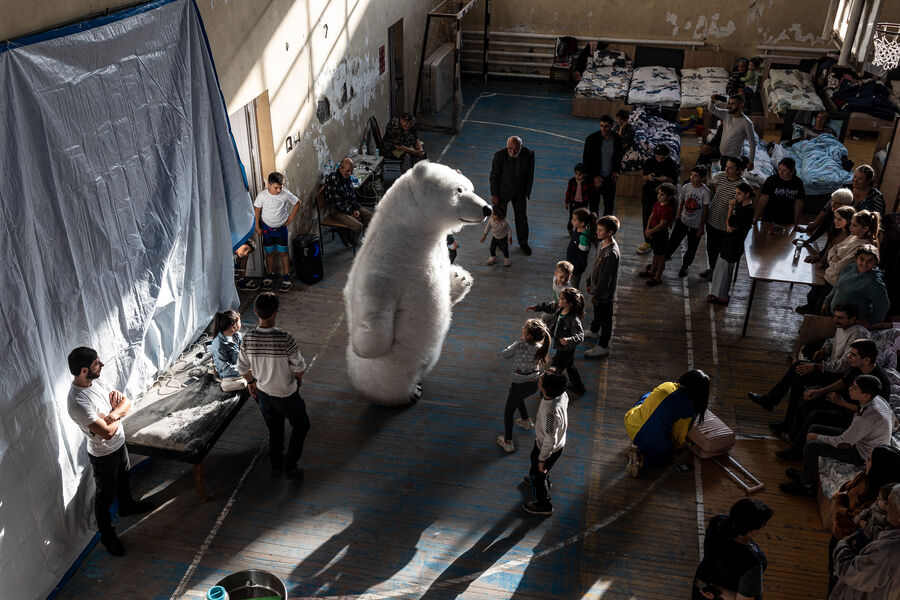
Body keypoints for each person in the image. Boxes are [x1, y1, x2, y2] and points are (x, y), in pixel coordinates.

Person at [66, 347, 155, 556]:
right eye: (96, 363)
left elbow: (126, 402)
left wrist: (112, 416)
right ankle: (107, 537)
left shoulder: (96, 381)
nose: (102, 365)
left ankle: (127, 507)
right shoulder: (77, 402)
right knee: (104, 498)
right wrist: (116, 413)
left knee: (124, 478)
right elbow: (106, 433)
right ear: (84, 370)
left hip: (119, 443)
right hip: (103, 454)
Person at [748, 302, 869, 428]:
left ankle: (773, 405)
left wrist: (817, 367)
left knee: (799, 371)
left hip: (841, 377)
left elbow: (844, 365)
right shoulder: (843, 326)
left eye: (840, 318)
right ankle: (784, 419)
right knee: (798, 375)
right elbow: (833, 341)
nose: (835, 320)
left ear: (852, 319)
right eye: (835, 316)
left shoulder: (857, 334)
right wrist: (825, 349)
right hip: (832, 370)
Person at [779, 374, 892, 497]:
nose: (850, 388)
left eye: (854, 388)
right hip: (861, 439)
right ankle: (807, 473)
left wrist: (816, 437)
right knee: (814, 428)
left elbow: (843, 443)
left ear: (866, 395)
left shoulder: (865, 418)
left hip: (862, 453)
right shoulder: (878, 400)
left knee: (812, 446)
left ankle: (807, 486)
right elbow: (894, 422)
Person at [775, 338, 891, 458]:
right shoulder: (859, 366)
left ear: (866, 359)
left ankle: (797, 451)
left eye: (853, 355)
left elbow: (870, 412)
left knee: (816, 415)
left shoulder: (878, 382)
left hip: (852, 413)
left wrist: (841, 403)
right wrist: (819, 392)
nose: (848, 356)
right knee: (810, 399)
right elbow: (844, 382)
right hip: (845, 400)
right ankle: (793, 436)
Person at [237, 292, 310, 479]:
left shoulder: (248, 338)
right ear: (276, 312)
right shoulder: (285, 338)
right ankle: (290, 467)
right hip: (287, 395)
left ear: (255, 312)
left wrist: (251, 381)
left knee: (275, 430)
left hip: (264, 395)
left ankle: (276, 466)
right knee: (301, 425)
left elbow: (242, 367)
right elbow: (300, 366)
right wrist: (297, 379)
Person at [828, 446, 900, 594]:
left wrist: (839, 503)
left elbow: (846, 521)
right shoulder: (863, 479)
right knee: (833, 572)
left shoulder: (880, 502)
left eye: (869, 460)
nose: (865, 463)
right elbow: (844, 492)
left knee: (837, 577)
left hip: (848, 546)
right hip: (841, 540)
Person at [624, 369, 710, 477]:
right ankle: (641, 459)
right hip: (648, 439)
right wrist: (680, 446)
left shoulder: (667, 385)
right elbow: (678, 437)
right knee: (666, 456)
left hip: (631, 422)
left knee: (647, 396)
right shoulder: (687, 409)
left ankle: (636, 441)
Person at [801, 209, 879, 315]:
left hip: (836, 282)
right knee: (813, 296)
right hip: (830, 276)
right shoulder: (853, 237)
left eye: (854, 225)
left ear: (865, 228)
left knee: (820, 311)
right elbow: (834, 248)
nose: (850, 227)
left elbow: (839, 267)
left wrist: (833, 259)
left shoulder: (862, 246)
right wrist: (834, 257)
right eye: (851, 224)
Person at [692, 498, 773, 600]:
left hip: (702, 583)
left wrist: (711, 588)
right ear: (754, 531)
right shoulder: (752, 562)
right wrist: (720, 591)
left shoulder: (717, 522)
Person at [496, 318, 551, 453]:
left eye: (524, 328)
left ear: (529, 335)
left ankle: (508, 442)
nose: (522, 329)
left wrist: (511, 346)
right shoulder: (540, 347)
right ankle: (526, 420)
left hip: (519, 383)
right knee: (518, 396)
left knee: (508, 412)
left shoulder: (519, 344)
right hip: (533, 384)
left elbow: (505, 354)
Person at [523, 367, 569, 516]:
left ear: (546, 388)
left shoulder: (550, 414)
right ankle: (543, 480)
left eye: (542, 377)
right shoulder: (562, 394)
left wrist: (542, 460)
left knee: (538, 474)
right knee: (535, 464)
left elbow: (550, 440)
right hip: (550, 443)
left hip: (548, 448)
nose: (540, 376)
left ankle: (544, 505)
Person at [797, 205, 856, 314]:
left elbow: (841, 260)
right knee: (813, 290)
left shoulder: (850, 237)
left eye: (839, 219)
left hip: (836, 271)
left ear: (848, 221)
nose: (835, 221)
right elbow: (830, 246)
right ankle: (811, 305)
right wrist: (821, 259)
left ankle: (815, 311)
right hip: (829, 264)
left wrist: (826, 271)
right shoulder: (837, 231)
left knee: (821, 292)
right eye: (835, 218)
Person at [528, 287, 586, 394]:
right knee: (569, 366)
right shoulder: (560, 308)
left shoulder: (573, 318)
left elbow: (580, 335)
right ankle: (578, 387)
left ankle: (548, 391)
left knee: (555, 370)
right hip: (562, 347)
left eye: (562, 298)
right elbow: (549, 306)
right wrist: (536, 307)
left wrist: (568, 340)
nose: (559, 299)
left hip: (566, 349)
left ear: (570, 304)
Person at [708, 183, 755, 305]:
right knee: (721, 268)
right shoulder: (741, 205)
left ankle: (721, 296)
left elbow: (730, 224)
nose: (736, 196)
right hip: (730, 241)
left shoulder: (747, 210)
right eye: (736, 193)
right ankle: (718, 293)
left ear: (747, 194)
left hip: (733, 244)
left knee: (725, 270)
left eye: (739, 193)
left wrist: (730, 208)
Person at [701, 156, 747, 279]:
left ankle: (718, 273)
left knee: (722, 249)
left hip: (726, 223)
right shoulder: (719, 176)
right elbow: (717, 191)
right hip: (713, 218)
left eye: (730, 168)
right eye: (726, 166)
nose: (726, 169)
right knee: (711, 247)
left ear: (738, 170)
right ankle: (712, 268)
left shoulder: (743, 185)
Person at [254, 171, 300, 292]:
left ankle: (286, 278)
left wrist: (290, 219)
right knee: (269, 253)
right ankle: (270, 275)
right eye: (276, 188)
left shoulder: (285, 194)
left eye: (281, 187)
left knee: (283, 253)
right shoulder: (262, 196)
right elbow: (257, 210)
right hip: (267, 230)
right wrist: (257, 226)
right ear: (269, 185)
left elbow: (297, 203)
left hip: (281, 230)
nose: (279, 190)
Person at [823, 245, 890, 327]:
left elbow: (883, 306)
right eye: (862, 259)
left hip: (853, 322)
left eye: (870, 261)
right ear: (855, 258)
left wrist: (871, 321)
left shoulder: (874, 282)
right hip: (837, 315)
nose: (864, 263)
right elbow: (837, 285)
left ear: (875, 263)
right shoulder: (850, 267)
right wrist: (827, 300)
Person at [490, 136, 535, 255]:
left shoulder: (529, 154)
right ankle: (500, 241)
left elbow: (530, 174)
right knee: (499, 218)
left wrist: (527, 192)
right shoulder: (499, 156)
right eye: (510, 148)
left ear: (521, 146)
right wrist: (494, 194)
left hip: (520, 191)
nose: (513, 152)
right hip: (503, 191)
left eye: (516, 149)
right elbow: (494, 176)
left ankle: (523, 243)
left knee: (522, 218)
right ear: (507, 146)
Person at [585, 215, 620, 358]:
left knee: (605, 319)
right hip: (597, 289)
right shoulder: (602, 244)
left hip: (604, 294)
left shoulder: (611, 253)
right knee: (597, 312)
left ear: (610, 232)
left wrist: (597, 296)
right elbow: (595, 266)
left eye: (600, 230)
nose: (597, 232)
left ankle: (603, 345)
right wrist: (589, 281)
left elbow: (606, 279)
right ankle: (594, 330)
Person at [665, 165, 710, 278]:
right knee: (673, 241)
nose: (692, 178)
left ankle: (685, 266)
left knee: (692, 248)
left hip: (695, 225)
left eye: (696, 176)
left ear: (702, 178)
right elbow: (682, 201)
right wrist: (678, 215)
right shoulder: (686, 187)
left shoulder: (705, 192)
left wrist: (701, 227)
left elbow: (705, 211)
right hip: (683, 221)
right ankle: (663, 259)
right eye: (691, 175)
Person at [637, 144, 678, 254]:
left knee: (662, 219)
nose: (659, 160)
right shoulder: (649, 162)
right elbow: (643, 177)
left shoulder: (671, 164)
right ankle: (647, 241)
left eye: (662, 158)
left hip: (664, 197)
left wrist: (666, 179)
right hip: (649, 194)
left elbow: (674, 181)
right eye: (657, 157)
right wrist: (648, 177)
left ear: (667, 156)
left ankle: (660, 242)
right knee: (647, 216)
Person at [323, 158, 373, 246]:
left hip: (348, 205)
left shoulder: (346, 176)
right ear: (340, 168)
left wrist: (355, 208)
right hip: (337, 210)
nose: (350, 173)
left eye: (351, 171)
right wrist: (351, 213)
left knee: (369, 216)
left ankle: (349, 233)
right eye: (348, 171)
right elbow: (337, 204)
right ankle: (349, 234)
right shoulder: (332, 180)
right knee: (358, 226)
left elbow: (352, 194)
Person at [582, 114, 624, 215]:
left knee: (609, 207)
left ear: (612, 126)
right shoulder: (592, 139)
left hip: (610, 179)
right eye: (601, 126)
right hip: (594, 180)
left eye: (606, 126)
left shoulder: (617, 139)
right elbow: (586, 161)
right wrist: (594, 176)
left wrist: (616, 171)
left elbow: (619, 157)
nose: (603, 129)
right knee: (593, 207)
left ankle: (606, 225)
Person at [707, 94, 756, 172]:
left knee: (727, 176)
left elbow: (752, 143)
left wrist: (751, 161)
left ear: (741, 105)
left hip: (733, 159)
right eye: (729, 103)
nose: (729, 106)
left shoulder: (747, 123)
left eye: (732, 104)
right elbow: (711, 109)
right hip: (722, 155)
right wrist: (712, 102)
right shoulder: (727, 114)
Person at [640, 182, 676, 286]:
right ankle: (652, 271)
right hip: (654, 232)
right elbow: (651, 216)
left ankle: (658, 277)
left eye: (662, 195)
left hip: (661, 235)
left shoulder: (668, 209)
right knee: (655, 254)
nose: (659, 196)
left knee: (661, 258)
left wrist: (650, 231)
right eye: (659, 194)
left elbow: (661, 225)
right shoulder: (657, 204)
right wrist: (647, 229)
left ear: (669, 197)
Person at [754, 157, 805, 228]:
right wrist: (756, 218)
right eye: (779, 169)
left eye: (784, 170)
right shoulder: (771, 180)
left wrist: (796, 223)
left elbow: (799, 203)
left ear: (792, 170)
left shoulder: (798, 183)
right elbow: (763, 200)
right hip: (769, 218)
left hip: (788, 219)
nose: (780, 172)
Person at [211, 309, 248, 392]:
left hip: (242, 366)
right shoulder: (218, 345)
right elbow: (227, 369)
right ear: (233, 326)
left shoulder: (236, 335)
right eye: (239, 321)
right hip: (231, 374)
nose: (241, 323)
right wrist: (246, 370)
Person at [566, 207, 597, 288]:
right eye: (572, 218)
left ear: (582, 223)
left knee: (573, 288)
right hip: (570, 265)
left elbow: (582, 256)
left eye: (574, 220)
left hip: (575, 269)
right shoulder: (577, 229)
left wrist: (574, 270)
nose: (571, 221)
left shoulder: (583, 237)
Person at [564, 163, 593, 233]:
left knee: (581, 217)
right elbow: (568, 192)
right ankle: (570, 228)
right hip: (573, 202)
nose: (577, 176)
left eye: (580, 174)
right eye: (576, 174)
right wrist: (566, 202)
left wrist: (589, 201)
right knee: (572, 216)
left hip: (583, 203)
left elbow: (591, 192)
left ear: (585, 174)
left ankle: (579, 230)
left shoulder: (588, 182)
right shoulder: (572, 181)